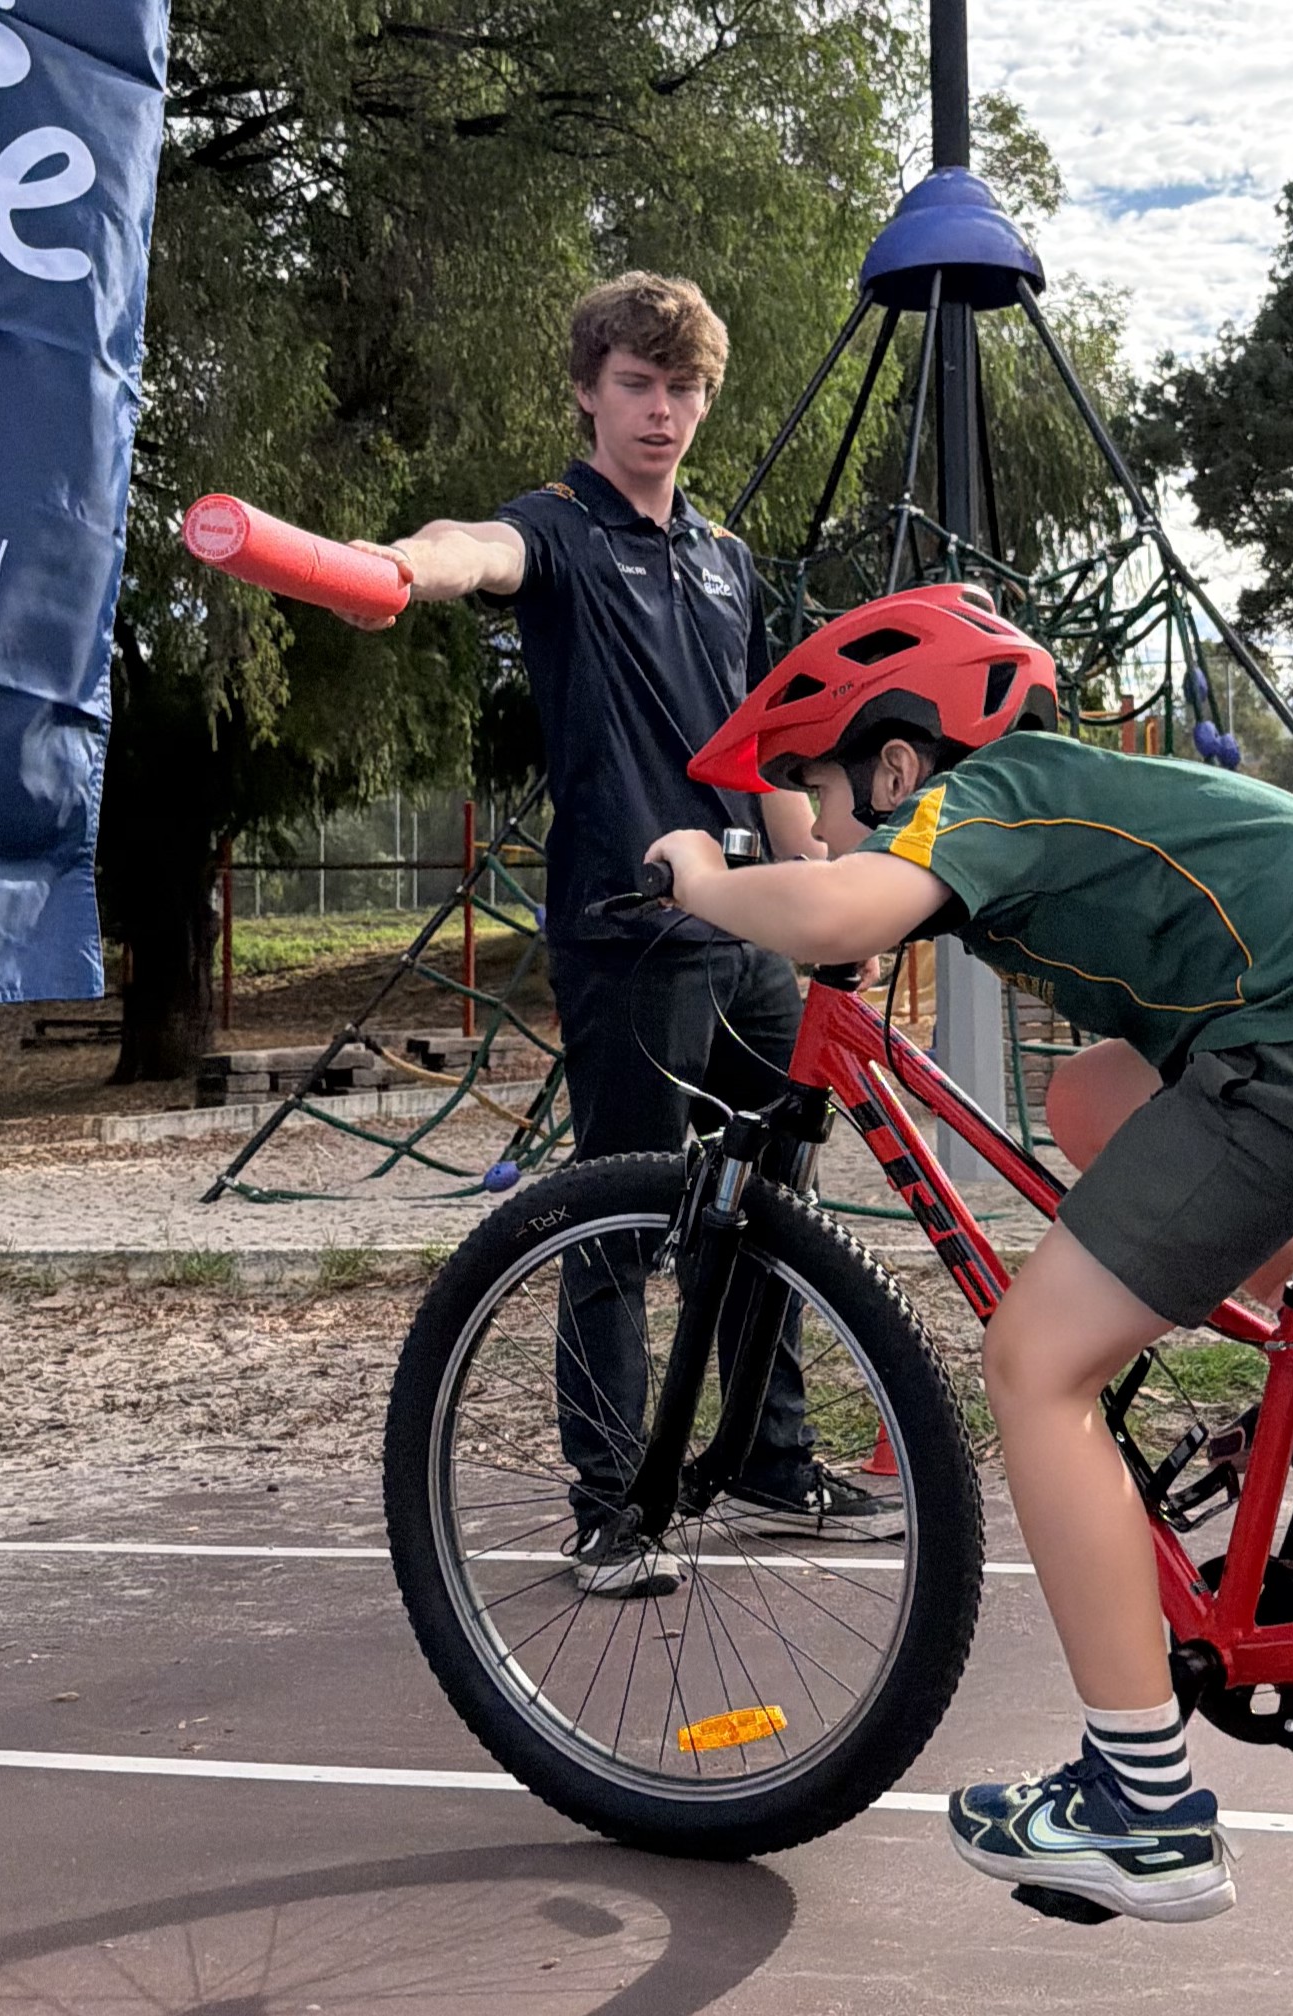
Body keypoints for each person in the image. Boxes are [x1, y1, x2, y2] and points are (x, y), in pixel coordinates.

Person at [649, 582, 1293, 1924]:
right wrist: (827, 880)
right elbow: (856, 900)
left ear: (897, 760)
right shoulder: (1058, 797)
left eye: (815, 793)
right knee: (1087, 1103)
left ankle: (1141, 1805)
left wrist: (710, 880)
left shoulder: (994, 795)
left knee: (1036, 1361)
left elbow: (833, 915)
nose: (806, 829)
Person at [348, 272, 893, 1599]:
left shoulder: (724, 558)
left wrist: (822, 892)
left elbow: (759, 745)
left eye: (685, 387)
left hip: (746, 926)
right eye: (639, 386)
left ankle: (770, 1462)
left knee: (780, 1207)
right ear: (589, 392)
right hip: (627, 928)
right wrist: (398, 568)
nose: (664, 412)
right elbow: (471, 547)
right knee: (624, 1215)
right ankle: (612, 1507)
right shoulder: (560, 533)